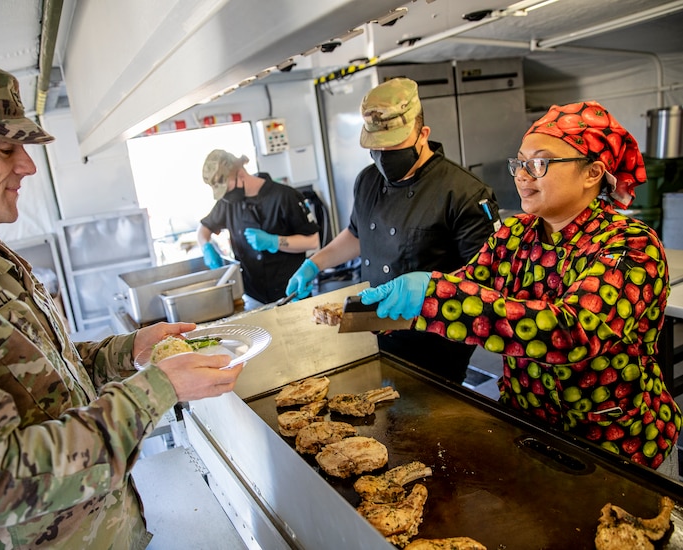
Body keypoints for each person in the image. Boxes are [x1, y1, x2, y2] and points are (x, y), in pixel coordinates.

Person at [0, 46, 243, 549]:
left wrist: (129, 352)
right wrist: (158, 389)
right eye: (4, 149)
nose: (27, 166)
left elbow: (48, 377)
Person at [359, 100, 682, 475]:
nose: (522, 175)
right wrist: (386, 309)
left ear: (593, 173)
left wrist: (432, 296)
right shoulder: (515, 235)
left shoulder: (631, 245)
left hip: (616, 448)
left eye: (539, 163)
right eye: (519, 162)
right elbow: (465, 287)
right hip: (528, 433)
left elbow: (571, 333)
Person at [286, 78, 500, 384]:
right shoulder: (367, 180)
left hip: (433, 344)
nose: (384, 154)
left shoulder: (463, 192)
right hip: (373, 332)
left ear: (423, 134)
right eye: (377, 147)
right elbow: (357, 235)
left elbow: (486, 279)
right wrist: (314, 264)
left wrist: (430, 289)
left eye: (394, 145)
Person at [197, 149, 320, 304]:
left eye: (227, 189)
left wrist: (275, 241)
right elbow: (203, 230)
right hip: (252, 297)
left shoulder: (285, 196)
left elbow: (312, 241)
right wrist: (206, 247)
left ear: (240, 173)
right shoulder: (227, 203)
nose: (226, 196)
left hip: (291, 293)